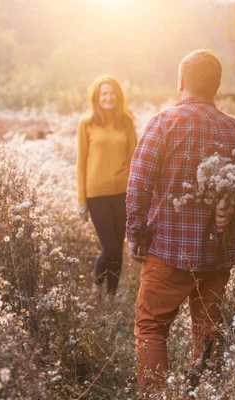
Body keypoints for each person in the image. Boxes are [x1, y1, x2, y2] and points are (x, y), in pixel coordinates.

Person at [126, 49, 235, 397]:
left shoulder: (163, 123)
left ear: (181, 82)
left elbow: (138, 182)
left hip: (167, 251)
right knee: (207, 328)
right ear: (218, 86)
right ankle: (204, 391)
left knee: (151, 327)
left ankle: (154, 395)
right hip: (217, 254)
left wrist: (135, 234)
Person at [76, 75, 137, 306]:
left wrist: (137, 195)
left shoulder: (127, 121)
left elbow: (134, 160)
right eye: (104, 94)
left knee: (118, 247)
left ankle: (111, 297)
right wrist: (81, 201)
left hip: (123, 193)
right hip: (96, 194)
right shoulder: (87, 123)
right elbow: (81, 163)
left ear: (118, 96)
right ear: (97, 98)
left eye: (112, 93)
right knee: (109, 247)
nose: (108, 97)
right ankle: (96, 286)